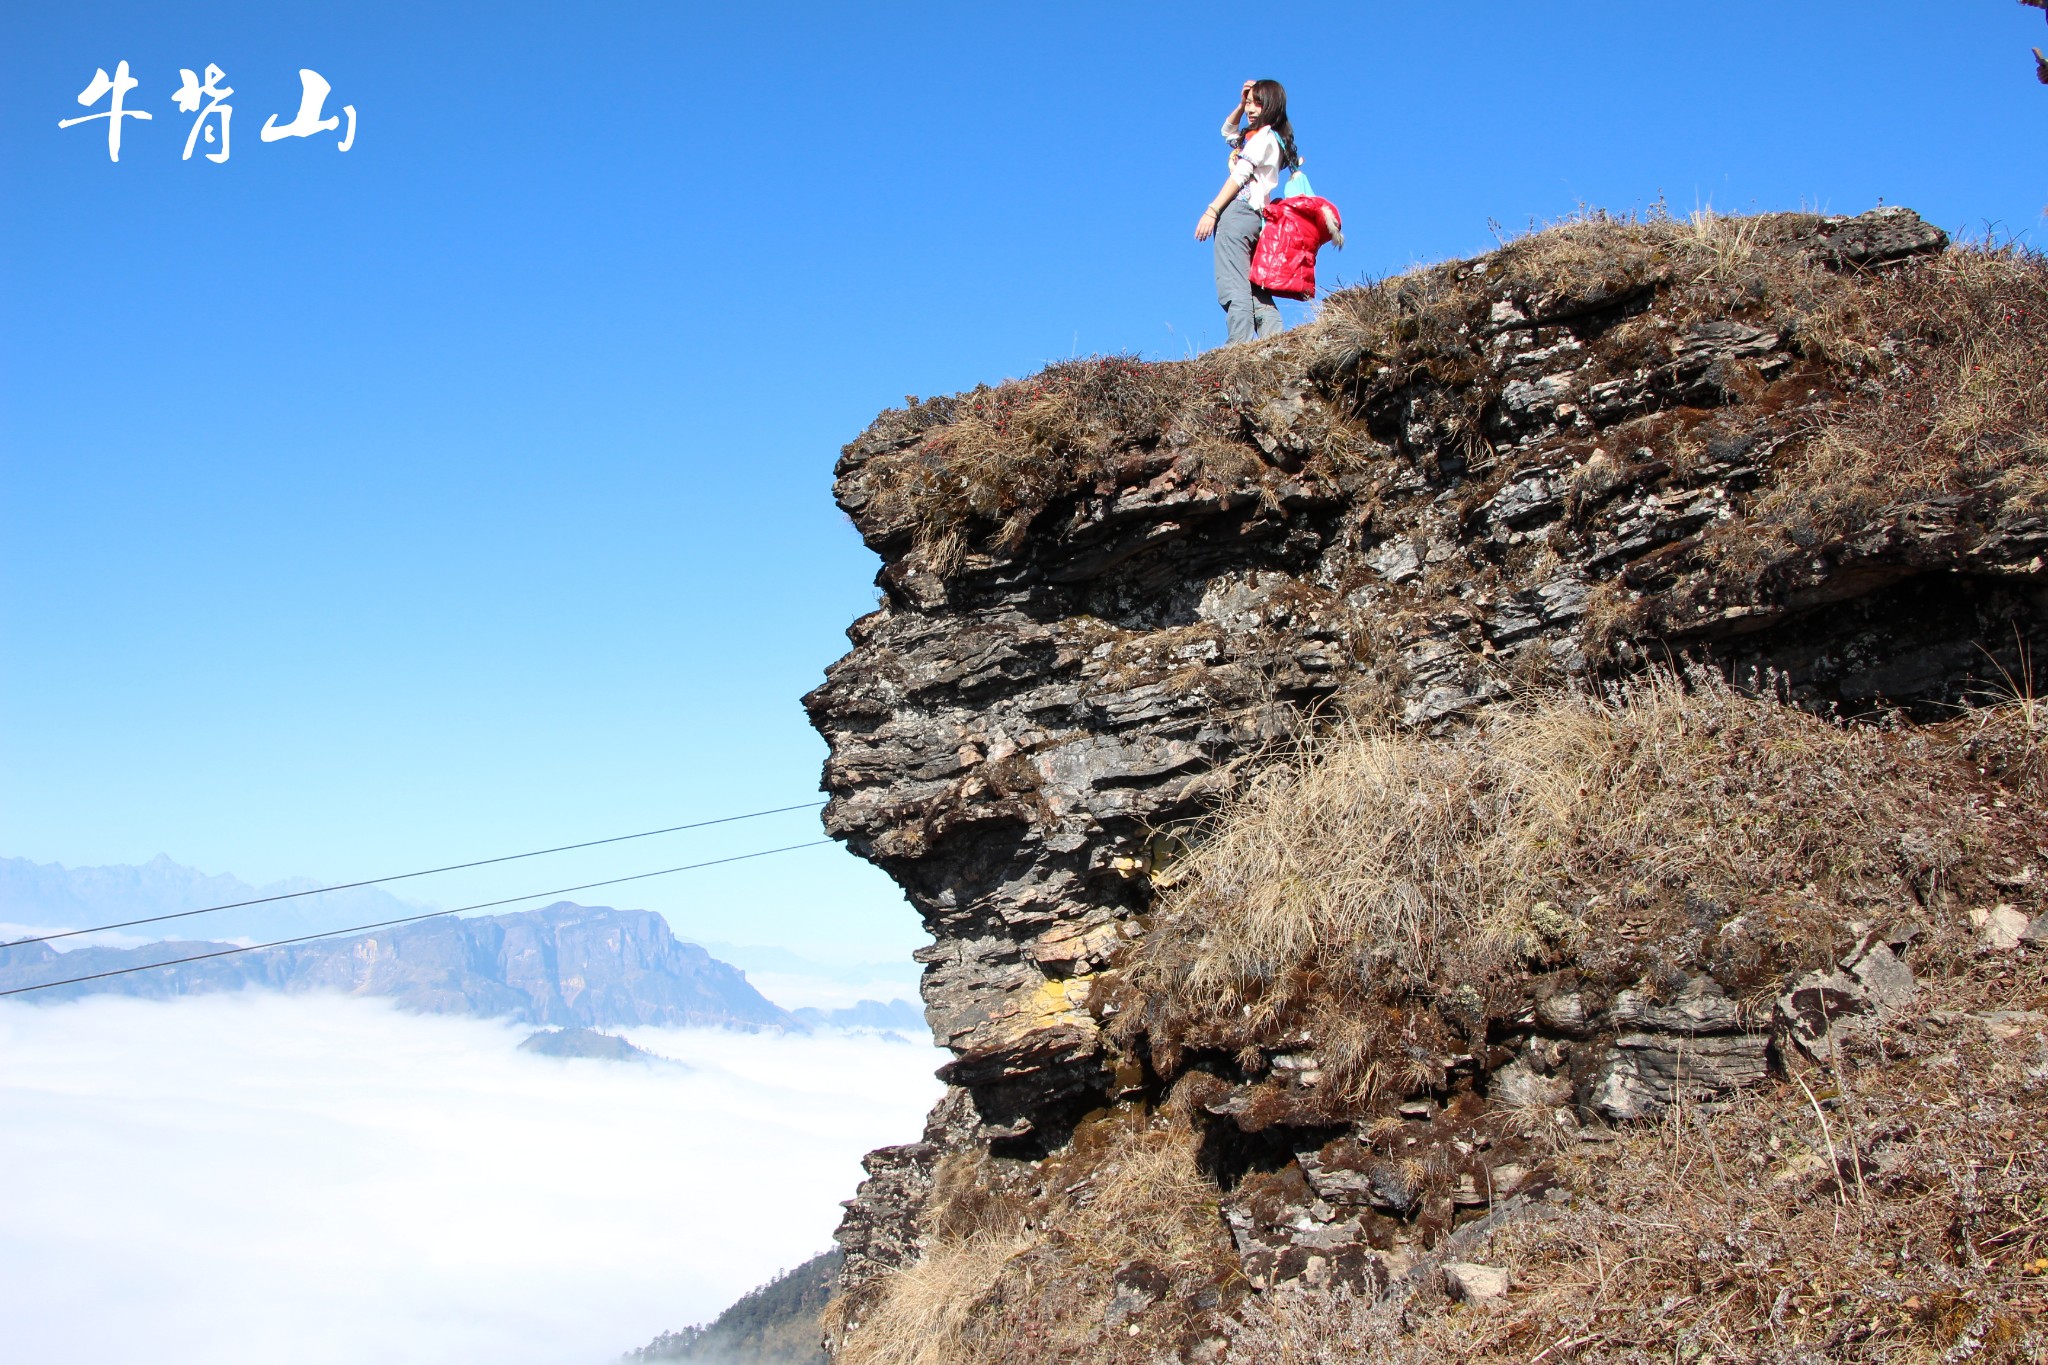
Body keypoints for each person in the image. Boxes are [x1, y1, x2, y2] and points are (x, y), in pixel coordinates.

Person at [1194, 79, 1299, 344]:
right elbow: (1227, 131)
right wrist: (1241, 104)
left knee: (1233, 282)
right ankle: (1273, 341)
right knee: (1254, 284)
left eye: (1257, 103)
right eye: (1250, 102)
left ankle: (1238, 345)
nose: (1251, 109)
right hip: (1257, 219)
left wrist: (1212, 210)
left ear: (1271, 105)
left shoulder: (1261, 138)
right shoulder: (1271, 139)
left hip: (1238, 213)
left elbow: (1240, 176)